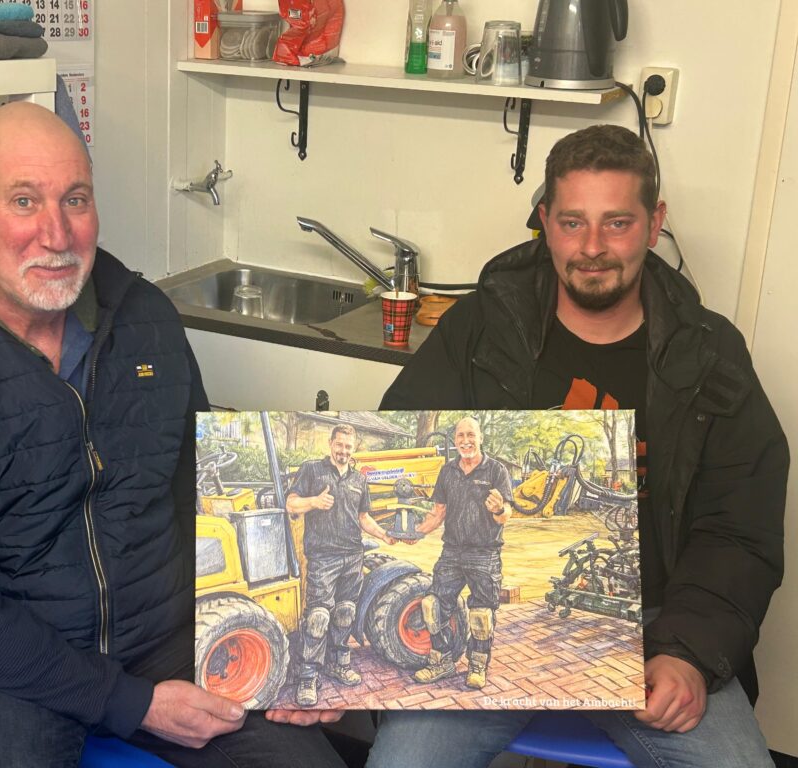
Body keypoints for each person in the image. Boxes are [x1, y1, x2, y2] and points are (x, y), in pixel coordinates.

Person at [0, 102, 346, 768]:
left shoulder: (145, 319)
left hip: (166, 638)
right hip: (9, 669)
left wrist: (301, 659)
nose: (56, 234)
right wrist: (128, 702)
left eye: (75, 200)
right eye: (24, 201)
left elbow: (205, 498)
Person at [367, 124, 787, 768]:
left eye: (617, 223)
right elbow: (411, 455)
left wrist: (689, 652)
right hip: (494, 611)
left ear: (654, 223)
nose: (592, 248)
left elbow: (739, 529)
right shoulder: (477, 330)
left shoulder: (712, 354)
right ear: (545, 222)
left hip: (659, 628)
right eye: (572, 223)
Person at [285, 424, 397, 707]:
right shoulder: (312, 470)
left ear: (353, 448)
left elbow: (363, 518)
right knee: (318, 616)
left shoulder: (359, 479)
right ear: (330, 444)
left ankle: (339, 664)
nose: (343, 451)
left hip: (352, 556)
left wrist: (384, 534)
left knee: (346, 611)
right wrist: (314, 501)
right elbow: (291, 504)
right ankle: (308, 677)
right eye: (339, 445)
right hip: (323, 557)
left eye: (348, 446)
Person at [410, 417, 511, 690]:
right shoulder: (447, 471)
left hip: (484, 554)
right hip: (452, 552)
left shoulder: (496, 470)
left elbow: (506, 515)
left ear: (480, 438)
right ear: (455, 440)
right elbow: (438, 513)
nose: (466, 441)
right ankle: (441, 661)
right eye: (460, 436)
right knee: (432, 606)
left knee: (481, 615)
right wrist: (415, 533)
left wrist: (499, 509)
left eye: (471, 435)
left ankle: (477, 665)